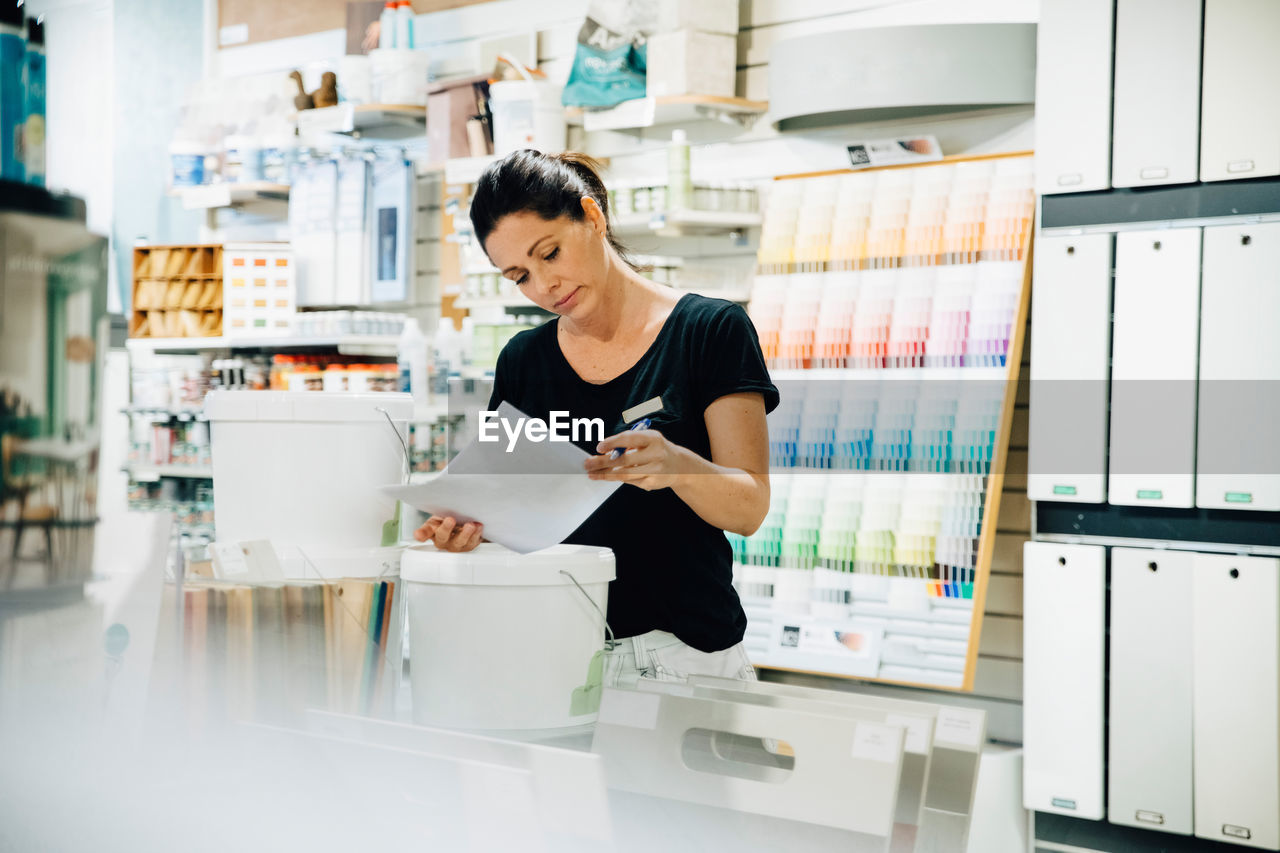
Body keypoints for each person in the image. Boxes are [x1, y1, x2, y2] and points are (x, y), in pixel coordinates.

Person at [413, 149, 779, 688]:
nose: (543, 286)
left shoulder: (709, 331)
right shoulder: (524, 359)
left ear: (593, 216)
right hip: (555, 650)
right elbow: (509, 506)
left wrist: (677, 467)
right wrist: (467, 530)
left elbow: (750, 507)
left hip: (682, 656)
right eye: (519, 275)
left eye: (550, 253)